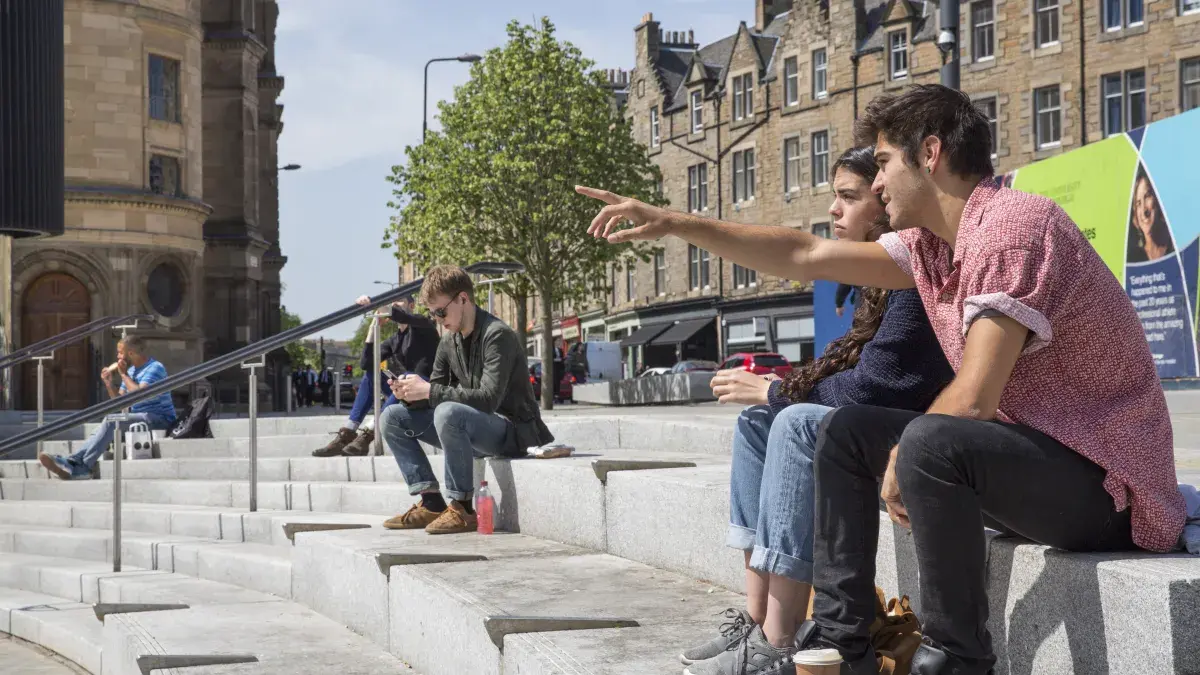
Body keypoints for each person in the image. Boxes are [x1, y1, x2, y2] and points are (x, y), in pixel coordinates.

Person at [577, 84, 1184, 675]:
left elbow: (974, 398)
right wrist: (673, 223)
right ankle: (843, 645)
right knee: (844, 432)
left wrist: (904, 456)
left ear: (930, 154)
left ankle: (955, 658)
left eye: (886, 162)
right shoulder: (933, 246)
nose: (879, 182)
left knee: (929, 439)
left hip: (1110, 488)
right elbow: (804, 256)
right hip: (1042, 463)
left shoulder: (1015, 227)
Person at [678, 147, 953, 675]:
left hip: (914, 439)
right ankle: (758, 621)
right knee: (758, 421)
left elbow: (878, 387)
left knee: (794, 420)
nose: (834, 210)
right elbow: (848, 372)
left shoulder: (911, 268)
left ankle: (780, 638)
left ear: (883, 202)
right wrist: (773, 394)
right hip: (878, 429)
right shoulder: (874, 282)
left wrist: (776, 392)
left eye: (847, 197)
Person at [379, 265, 554, 535]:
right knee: (392, 417)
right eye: (432, 313)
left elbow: (488, 399)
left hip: (514, 432)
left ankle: (462, 507)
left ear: (463, 299)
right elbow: (435, 394)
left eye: (441, 311)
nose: (438, 319)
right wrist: (410, 396)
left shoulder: (498, 335)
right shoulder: (449, 342)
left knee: (448, 413)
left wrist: (428, 391)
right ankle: (431, 502)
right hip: (474, 429)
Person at [313, 296, 438, 457]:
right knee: (372, 373)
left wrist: (374, 304)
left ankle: (368, 434)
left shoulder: (423, 323)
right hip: (406, 391)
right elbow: (366, 363)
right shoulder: (395, 340)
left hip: (427, 391)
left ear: (412, 305)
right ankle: (348, 433)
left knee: (407, 376)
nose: (394, 304)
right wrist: (373, 326)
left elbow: (401, 315)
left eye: (398, 300)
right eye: (391, 302)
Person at [40, 335, 177, 480]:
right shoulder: (131, 372)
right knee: (100, 429)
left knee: (112, 421)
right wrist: (108, 383)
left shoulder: (154, 367)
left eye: (120, 352)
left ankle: (83, 467)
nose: (117, 356)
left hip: (160, 419)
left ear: (130, 353)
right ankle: (74, 462)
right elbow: (120, 403)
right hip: (140, 419)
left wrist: (123, 375)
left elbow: (140, 395)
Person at [1126, 168, 1173, 263]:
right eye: (1138, 203)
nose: (1143, 210)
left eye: (1147, 196)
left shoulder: (1175, 249)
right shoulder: (1132, 259)